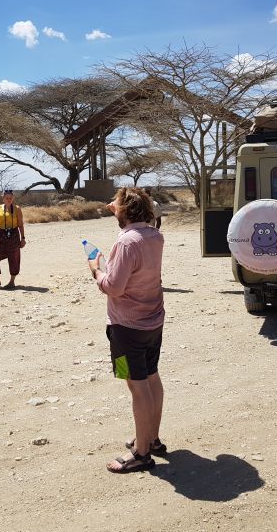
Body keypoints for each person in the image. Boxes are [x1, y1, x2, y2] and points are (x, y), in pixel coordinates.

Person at [88, 187, 165, 474]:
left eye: (117, 207)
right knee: (151, 376)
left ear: (125, 212)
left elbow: (114, 287)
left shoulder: (126, 243)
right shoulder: (154, 236)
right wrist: (120, 208)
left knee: (135, 385)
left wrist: (96, 270)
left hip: (125, 328)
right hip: (152, 323)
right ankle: (151, 438)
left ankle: (142, 453)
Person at [0, 189, 25, 290]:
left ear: (13, 198)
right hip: (0, 234)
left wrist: (23, 238)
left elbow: (21, 225)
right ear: (3, 198)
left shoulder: (17, 209)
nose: (9, 200)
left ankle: (12, 282)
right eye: (7, 198)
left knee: (14, 258)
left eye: (10, 198)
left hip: (13, 235)